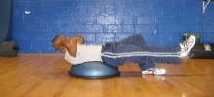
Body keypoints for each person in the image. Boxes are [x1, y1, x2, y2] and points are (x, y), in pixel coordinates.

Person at [52, 34, 196, 75]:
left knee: (137, 38)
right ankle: (179, 52)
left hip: (109, 47)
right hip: (109, 55)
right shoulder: (69, 54)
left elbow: (80, 37)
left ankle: (147, 67)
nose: (69, 38)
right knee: (144, 51)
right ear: (62, 46)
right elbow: (70, 41)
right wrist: (61, 40)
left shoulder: (74, 47)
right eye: (65, 39)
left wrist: (65, 40)